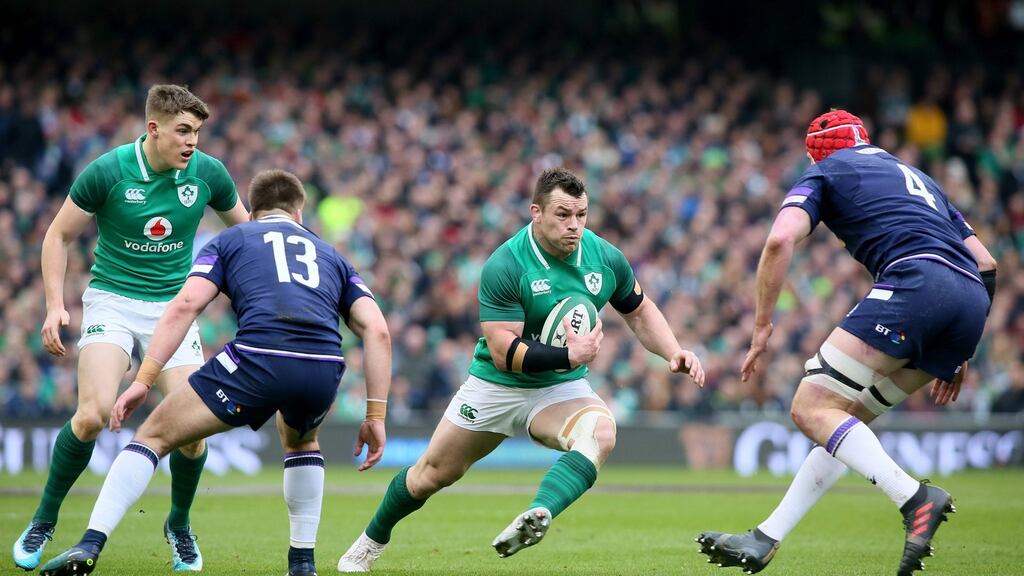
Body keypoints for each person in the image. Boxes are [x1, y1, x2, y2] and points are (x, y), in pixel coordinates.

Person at [336, 166, 706, 572]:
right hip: (497, 385)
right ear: (536, 212)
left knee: (601, 432)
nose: (574, 225)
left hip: (558, 388)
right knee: (431, 475)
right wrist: (569, 357)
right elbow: (502, 350)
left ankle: (538, 514)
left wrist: (673, 351)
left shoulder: (605, 258)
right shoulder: (507, 264)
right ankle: (369, 542)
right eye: (563, 215)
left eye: (581, 215)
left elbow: (638, 310)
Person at [37, 169, 392, 576]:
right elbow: (378, 331)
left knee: (153, 436)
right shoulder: (332, 255)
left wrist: (143, 380)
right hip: (323, 365)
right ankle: (302, 564)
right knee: (301, 442)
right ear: (299, 211)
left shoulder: (232, 238)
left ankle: (89, 544)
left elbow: (186, 305)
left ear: (252, 210)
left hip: (258, 357)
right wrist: (375, 416)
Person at [696, 110, 997, 576]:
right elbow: (987, 262)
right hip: (970, 299)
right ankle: (766, 537)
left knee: (809, 407)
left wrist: (761, 326)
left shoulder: (825, 171)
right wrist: (962, 351)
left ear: (816, 151)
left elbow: (779, 240)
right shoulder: (915, 175)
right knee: (841, 424)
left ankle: (915, 498)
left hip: (916, 281)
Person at [14, 84, 249, 572]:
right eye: (183, 131)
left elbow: (247, 234)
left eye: (198, 132)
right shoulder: (108, 171)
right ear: (153, 129)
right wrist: (55, 305)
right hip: (113, 302)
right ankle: (45, 517)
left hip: (174, 310)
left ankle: (179, 524)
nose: (192, 142)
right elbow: (57, 235)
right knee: (92, 415)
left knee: (192, 434)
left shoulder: (208, 174)